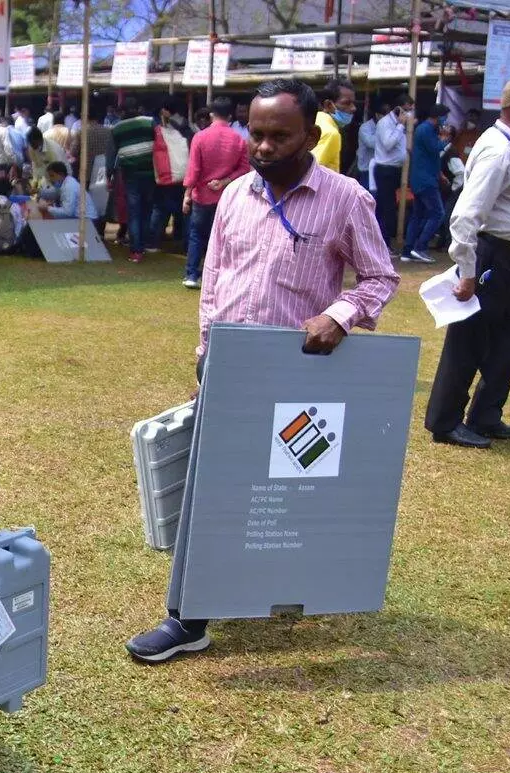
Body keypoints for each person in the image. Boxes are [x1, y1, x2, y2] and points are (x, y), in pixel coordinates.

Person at [126, 78, 399, 665]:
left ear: (312, 135)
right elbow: (216, 280)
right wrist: (205, 348)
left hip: (298, 379)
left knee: (287, 491)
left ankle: (278, 590)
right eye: (258, 133)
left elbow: (381, 277)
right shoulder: (232, 197)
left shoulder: (346, 198)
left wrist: (341, 315)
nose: (265, 146)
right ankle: (189, 618)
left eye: (281, 135)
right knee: (211, 495)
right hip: (229, 370)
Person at [423, 76, 510, 449]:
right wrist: (467, 272)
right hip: (490, 256)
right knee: (470, 338)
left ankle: (485, 415)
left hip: (509, 259)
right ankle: (445, 422)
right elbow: (466, 215)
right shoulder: (498, 150)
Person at [182, 95, 249, 288]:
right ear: (230, 115)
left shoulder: (200, 137)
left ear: (211, 114)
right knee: (222, 237)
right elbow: (244, 169)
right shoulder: (239, 139)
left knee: (196, 235)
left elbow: (193, 170)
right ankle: (216, 277)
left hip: (202, 194)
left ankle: (192, 275)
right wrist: (224, 181)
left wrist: (187, 195)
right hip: (227, 196)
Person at [107, 98, 157, 262]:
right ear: (139, 108)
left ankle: (136, 251)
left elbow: (111, 156)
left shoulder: (116, 129)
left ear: (122, 112)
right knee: (147, 211)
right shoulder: (149, 122)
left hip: (129, 175)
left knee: (134, 213)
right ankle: (144, 243)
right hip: (150, 173)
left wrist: (109, 176)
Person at [402, 104, 451, 264]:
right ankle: (420, 247)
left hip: (422, 177)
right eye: (445, 116)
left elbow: (430, 157)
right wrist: (445, 138)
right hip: (425, 180)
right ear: (439, 116)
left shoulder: (424, 129)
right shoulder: (426, 130)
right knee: (438, 213)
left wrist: (440, 174)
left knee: (418, 215)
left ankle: (408, 251)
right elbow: (435, 148)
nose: (446, 120)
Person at [373, 94, 415, 247]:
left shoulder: (399, 124)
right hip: (385, 171)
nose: (409, 114)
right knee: (386, 209)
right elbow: (389, 144)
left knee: (391, 208)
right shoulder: (386, 123)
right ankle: (382, 245)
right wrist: (400, 126)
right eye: (407, 110)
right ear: (399, 109)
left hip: (396, 170)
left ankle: (385, 243)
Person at [151, 99, 190, 249]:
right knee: (182, 210)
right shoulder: (187, 126)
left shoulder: (163, 127)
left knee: (160, 209)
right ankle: (179, 237)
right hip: (183, 175)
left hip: (167, 175)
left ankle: (154, 239)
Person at [310, 78, 356, 173]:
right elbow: (311, 172)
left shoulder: (315, 120)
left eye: (353, 103)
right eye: (347, 103)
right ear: (328, 105)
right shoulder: (331, 133)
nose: (353, 108)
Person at [433, 125, 466, 252]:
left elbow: (460, 172)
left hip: (453, 189)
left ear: (449, 137)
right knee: (443, 215)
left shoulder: (451, 152)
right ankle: (442, 242)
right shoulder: (442, 151)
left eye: (444, 134)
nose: (441, 136)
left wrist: (454, 188)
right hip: (446, 189)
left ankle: (447, 243)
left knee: (447, 215)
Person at [68, 105, 111, 189]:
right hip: (102, 170)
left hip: (86, 171)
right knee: (101, 196)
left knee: (86, 198)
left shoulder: (81, 132)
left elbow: (74, 151)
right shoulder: (108, 131)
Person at [356, 102, 386, 190]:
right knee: (367, 196)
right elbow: (371, 143)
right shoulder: (365, 128)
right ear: (377, 115)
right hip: (366, 169)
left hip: (380, 168)